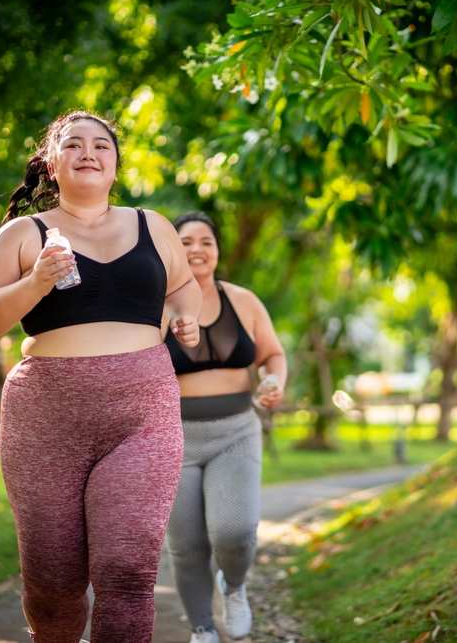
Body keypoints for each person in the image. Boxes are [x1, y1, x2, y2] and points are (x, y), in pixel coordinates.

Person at [0, 110, 201, 643]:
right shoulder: (23, 234)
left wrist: (185, 314)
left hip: (142, 413)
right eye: (73, 144)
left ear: (115, 166)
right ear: (52, 163)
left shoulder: (152, 226)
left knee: (128, 572)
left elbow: (183, 287)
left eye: (102, 145)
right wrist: (34, 284)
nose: (88, 152)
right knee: (54, 582)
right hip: (46, 420)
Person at [163, 212, 287, 643]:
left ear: (217, 250)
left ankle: (233, 586)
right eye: (185, 242)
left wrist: (274, 382)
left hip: (235, 433)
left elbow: (272, 354)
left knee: (233, 533)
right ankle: (202, 629)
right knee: (186, 546)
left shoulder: (244, 301)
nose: (197, 249)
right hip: (172, 438)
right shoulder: (152, 306)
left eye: (206, 241)